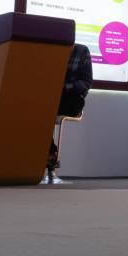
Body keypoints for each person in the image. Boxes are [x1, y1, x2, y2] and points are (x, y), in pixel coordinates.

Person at [46, 44, 94, 183]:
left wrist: (62, 87)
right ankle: (50, 155)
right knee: (38, 107)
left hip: (72, 98)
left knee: (44, 108)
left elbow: (86, 83)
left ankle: (50, 155)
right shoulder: (49, 50)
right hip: (50, 98)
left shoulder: (81, 51)